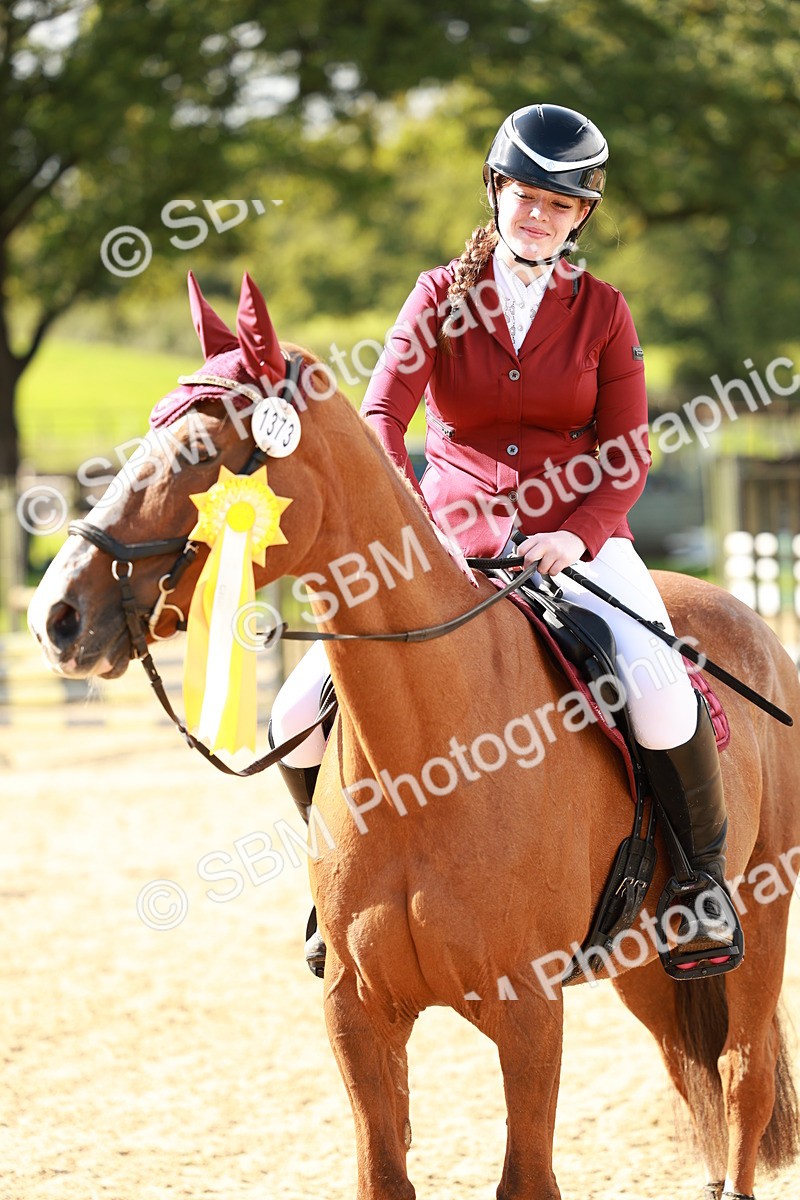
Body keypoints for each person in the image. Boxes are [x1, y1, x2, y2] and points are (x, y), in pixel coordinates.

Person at [270, 102, 741, 978]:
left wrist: (578, 534)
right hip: (444, 545)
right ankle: (335, 880)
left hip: (579, 541)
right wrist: (415, 526)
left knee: (665, 697)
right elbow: (381, 416)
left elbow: (627, 447)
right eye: (526, 196)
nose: (539, 216)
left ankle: (699, 891)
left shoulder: (602, 309)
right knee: (294, 714)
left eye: (559, 206)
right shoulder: (438, 296)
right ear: (496, 192)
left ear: (581, 217)